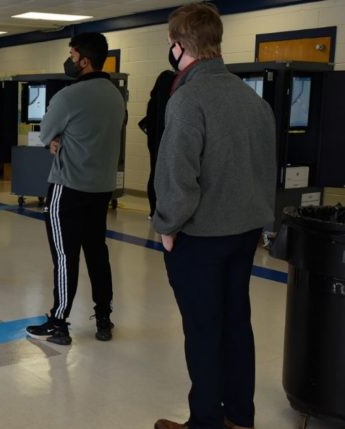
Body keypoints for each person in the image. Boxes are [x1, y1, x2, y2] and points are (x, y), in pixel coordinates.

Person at [152, 4, 276, 429]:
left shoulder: (187, 99)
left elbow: (176, 172)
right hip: (244, 234)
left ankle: (205, 420)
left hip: (201, 238)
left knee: (203, 331)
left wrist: (167, 225)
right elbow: (265, 165)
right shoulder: (251, 98)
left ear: (179, 46)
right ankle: (240, 417)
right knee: (236, 325)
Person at [24, 32, 126, 345]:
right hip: (101, 189)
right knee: (97, 252)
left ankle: (59, 321)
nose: (70, 60)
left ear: (83, 58)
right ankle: (104, 318)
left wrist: (57, 139)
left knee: (65, 257)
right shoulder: (115, 96)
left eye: (72, 54)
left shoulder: (68, 96)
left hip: (67, 188)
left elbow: (45, 135)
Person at [138, 70, 176, 219]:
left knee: (155, 173)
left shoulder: (154, 101)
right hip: (164, 143)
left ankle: (154, 211)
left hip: (155, 144)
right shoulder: (172, 97)